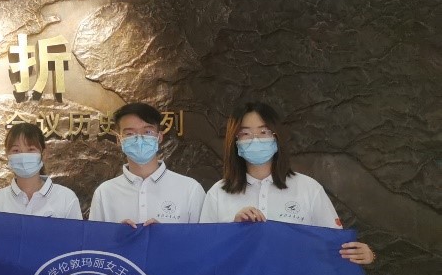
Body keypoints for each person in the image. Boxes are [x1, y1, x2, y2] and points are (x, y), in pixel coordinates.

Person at [200, 102, 375, 265]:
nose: (255, 140)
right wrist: (233, 230)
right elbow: (204, 255)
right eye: (245, 133)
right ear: (235, 141)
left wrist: (366, 254)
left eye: (264, 132)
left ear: (276, 137)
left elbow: (334, 245)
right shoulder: (218, 194)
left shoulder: (308, 189)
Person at [89, 103, 204, 225]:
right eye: (130, 133)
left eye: (147, 132)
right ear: (119, 140)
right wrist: (117, 234)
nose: (139, 139)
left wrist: (166, 234)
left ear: (159, 137)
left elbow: (204, 236)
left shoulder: (190, 189)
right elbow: (94, 236)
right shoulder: (104, 193)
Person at [0, 122, 82, 218]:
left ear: (43, 153)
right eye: (16, 150)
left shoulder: (66, 198)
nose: (23, 156)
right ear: (7, 155)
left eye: (31, 149)